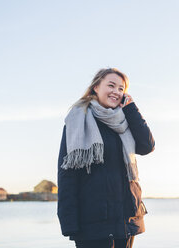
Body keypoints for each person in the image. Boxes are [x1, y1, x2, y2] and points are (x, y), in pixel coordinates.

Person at [57, 68, 155, 248]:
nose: (116, 92)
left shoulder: (125, 121)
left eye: (121, 89)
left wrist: (131, 108)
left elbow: (147, 146)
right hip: (92, 224)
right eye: (111, 85)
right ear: (96, 87)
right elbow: (67, 174)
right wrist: (68, 222)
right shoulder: (78, 121)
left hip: (125, 220)